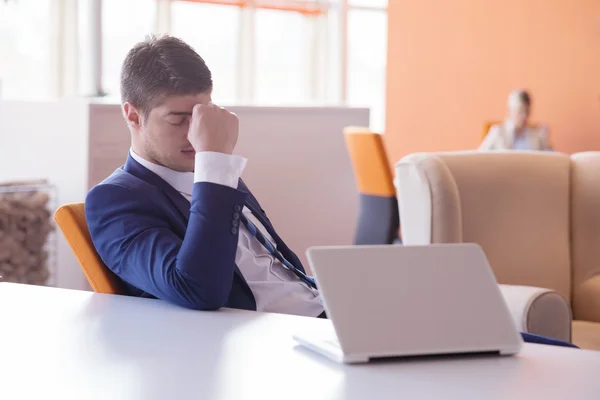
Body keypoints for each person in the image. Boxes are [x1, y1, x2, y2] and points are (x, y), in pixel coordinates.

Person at [86, 35, 576, 348]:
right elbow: (199, 289)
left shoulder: (206, 173)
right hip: (288, 342)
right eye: (179, 119)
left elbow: (275, 264)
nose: (197, 132)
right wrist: (215, 163)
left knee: (533, 347)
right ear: (132, 115)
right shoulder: (116, 202)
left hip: (331, 313)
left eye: (204, 114)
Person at [479, 89, 552, 151]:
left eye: (527, 111)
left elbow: (552, 159)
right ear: (510, 111)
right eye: (520, 111)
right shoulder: (497, 133)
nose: (524, 116)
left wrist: (546, 140)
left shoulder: (537, 135)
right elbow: (479, 158)